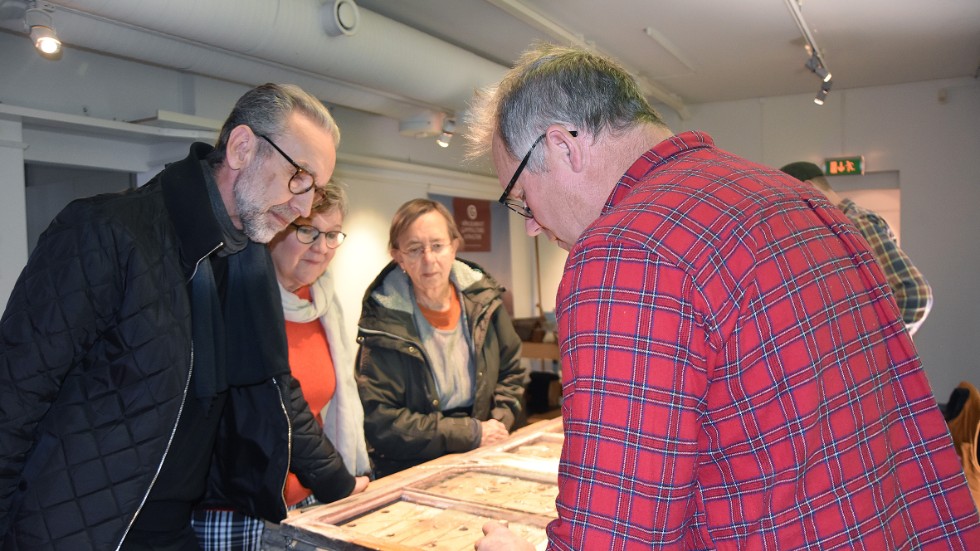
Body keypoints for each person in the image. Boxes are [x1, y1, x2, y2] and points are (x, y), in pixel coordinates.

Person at [464, 43, 980, 549]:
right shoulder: (797, 198)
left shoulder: (625, 249)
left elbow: (619, 530)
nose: (531, 225)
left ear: (562, 146)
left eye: (520, 199)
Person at [0, 83, 350, 550]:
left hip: (177, 529)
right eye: (299, 177)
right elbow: (14, 396)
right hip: (79, 531)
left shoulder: (246, 257)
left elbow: (272, 385)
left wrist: (338, 485)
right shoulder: (107, 232)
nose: (304, 206)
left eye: (316, 189)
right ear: (243, 148)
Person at [192, 180, 371, 548]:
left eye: (333, 235)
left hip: (308, 498)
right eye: (307, 231)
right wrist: (337, 481)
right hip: (240, 508)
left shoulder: (324, 304)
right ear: (275, 231)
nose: (321, 248)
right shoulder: (239, 301)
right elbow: (278, 409)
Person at [355, 198, 526, 478]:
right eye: (414, 249)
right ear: (397, 257)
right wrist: (469, 433)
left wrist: (498, 423)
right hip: (413, 467)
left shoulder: (485, 302)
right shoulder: (381, 323)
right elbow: (382, 422)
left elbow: (512, 372)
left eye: (437, 245)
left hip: (486, 452)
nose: (429, 259)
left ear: (454, 247)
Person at [780, 161, 933, 335]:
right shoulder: (851, 224)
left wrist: (877, 348)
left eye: (795, 206)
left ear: (810, 190)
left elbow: (914, 293)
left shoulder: (853, 225)